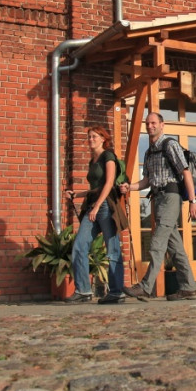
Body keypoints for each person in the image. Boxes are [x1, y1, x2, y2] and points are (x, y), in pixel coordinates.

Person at [118, 112, 196, 301]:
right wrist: (130, 187)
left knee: (157, 241)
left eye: (154, 123)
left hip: (171, 196)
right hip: (158, 198)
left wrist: (193, 202)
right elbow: (147, 181)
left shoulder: (170, 145)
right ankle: (188, 287)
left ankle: (146, 286)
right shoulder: (149, 152)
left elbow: (185, 173)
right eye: (147, 123)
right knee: (175, 246)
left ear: (162, 125)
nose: (150, 126)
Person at [64, 125, 125, 304]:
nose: (91, 139)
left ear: (103, 139)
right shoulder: (93, 161)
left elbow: (109, 183)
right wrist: (77, 194)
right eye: (89, 137)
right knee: (79, 245)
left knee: (112, 248)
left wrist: (98, 206)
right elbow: (96, 188)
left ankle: (116, 292)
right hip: (93, 206)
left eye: (94, 137)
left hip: (105, 207)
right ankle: (83, 290)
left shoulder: (108, 156)